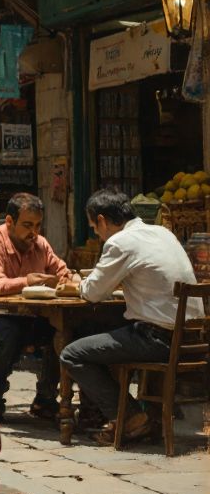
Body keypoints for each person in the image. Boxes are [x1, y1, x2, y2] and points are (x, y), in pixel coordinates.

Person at [61, 190, 203, 446]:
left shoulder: (120, 242)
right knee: (113, 334)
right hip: (192, 338)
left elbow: (92, 293)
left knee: (72, 354)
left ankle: (130, 417)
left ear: (102, 220)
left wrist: (76, 283)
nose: (97, 233)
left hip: (158, 339)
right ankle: (140, 418)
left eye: (95, 227)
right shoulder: (162, 233)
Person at [0, 193, 70, 421]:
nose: (33, 232)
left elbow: (62, 271)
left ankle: (45, 399)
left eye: (37, 225)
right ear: (9, 222)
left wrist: (66, 280)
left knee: (65, 330)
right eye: (27, 225)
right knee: (6, 333)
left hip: (32, 316)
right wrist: (28, 281)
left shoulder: (40, 244)